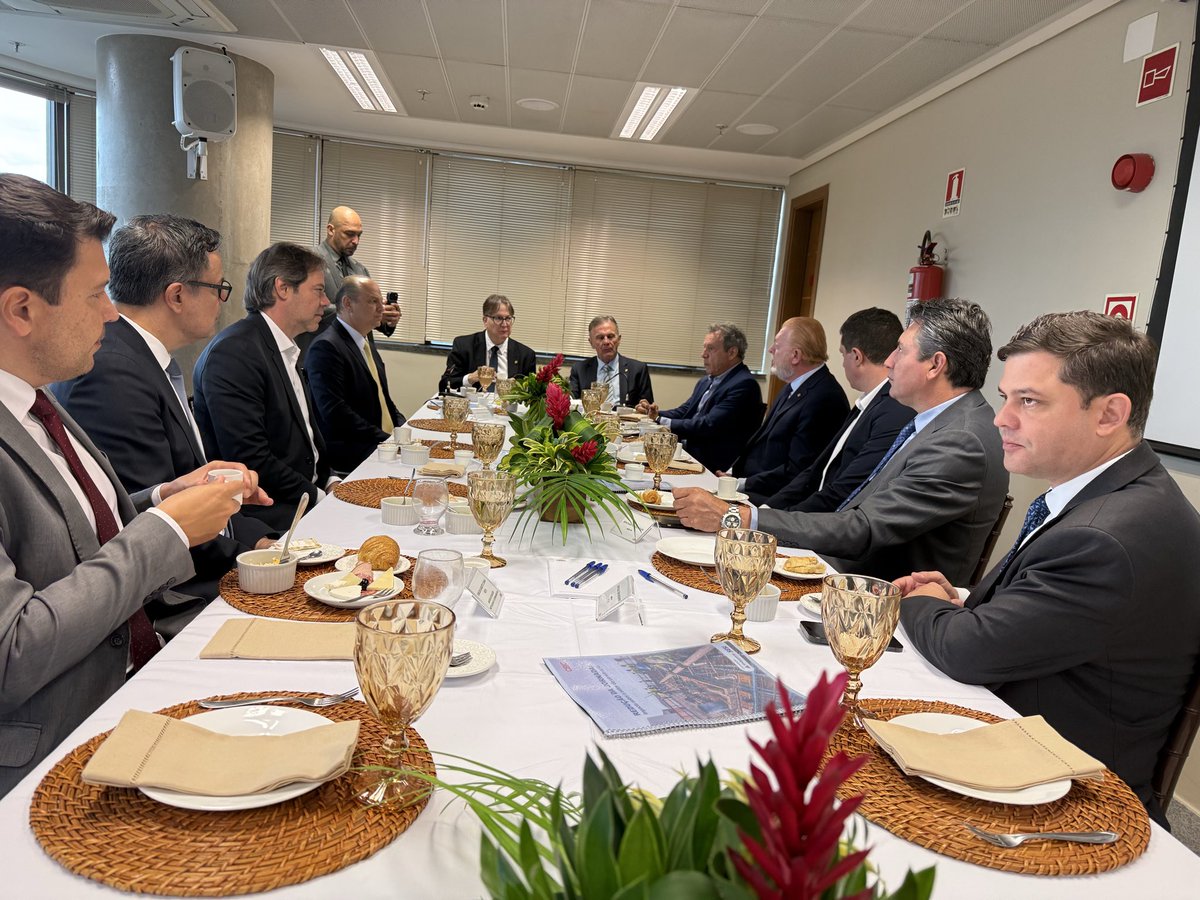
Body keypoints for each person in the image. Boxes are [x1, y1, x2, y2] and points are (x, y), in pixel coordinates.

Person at [0, 173, 256, 795]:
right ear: (23, 309)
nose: (113, 312)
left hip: (133, 681)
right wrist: (166, 530)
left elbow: (84, 532)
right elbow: (11, 653)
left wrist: (160, 499)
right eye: (95, 295)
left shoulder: (35, 403)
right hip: (53, 753)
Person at [896, 311, 1200, 827]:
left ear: (1109, 414)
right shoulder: (1118, 494)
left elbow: (967, 652)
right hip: (1034, 740)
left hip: (1066, 795)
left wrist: (920, 601)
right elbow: (1066, 615)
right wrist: (969, 602)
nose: (1001, 418)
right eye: (1006, 397)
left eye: (1028, 401)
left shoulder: (1105, 537)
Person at [675, 298, 1008, 585]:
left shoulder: (960, 441)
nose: (889, 361)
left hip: (878, 601)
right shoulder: (938, 423)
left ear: (936, 365)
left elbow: (862, 528)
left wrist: (742, 518)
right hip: (847, 572)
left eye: (901, 351)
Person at [52, 214, 275, 632]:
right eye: (218, 288)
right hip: (175, 598)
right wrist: (256, 556)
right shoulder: (114, 371)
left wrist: (259, 541)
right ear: (176, 295)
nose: (108, 312)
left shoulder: (142, 359)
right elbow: (142, 530)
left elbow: (159, 496)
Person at [193, 242, 337, 532]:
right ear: (282, 288)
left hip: (301, 498)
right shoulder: (235, 353)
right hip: (267, 513)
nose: (326, 302)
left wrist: (331, 480)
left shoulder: (284, 347)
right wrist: (320, 498)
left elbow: (306, 439)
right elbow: (251, 459)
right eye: (318, 290)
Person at [760, 308, 912, 512]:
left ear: (856, 356)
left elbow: (845, 491)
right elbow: (816, 471)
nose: (842, 363)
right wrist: (767, 509)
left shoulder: (893, 411)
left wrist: (777, 520)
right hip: (808, 512)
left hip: (829, 526)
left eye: (843, 354)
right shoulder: (868, 401)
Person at [727, 317, 848, 504]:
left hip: (774, 500)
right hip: (750, 485)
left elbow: (798, 471)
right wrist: (731, 475)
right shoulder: (792, 386)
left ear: (796, 355)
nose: (771, 350)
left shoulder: (825, 398)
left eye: (777, 345)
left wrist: (741, 484)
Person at [306, 276, 405, 474]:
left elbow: (383, 399)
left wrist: (404, 429)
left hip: (380, 445)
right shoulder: (327, 347)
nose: (381, 309)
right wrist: (387, 439)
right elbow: (336, 414)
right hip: (353, 455)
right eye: (373, 301)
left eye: (381, 301)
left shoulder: (364, 341)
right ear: (348, 303)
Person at [636, 323, 764, 473]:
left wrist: (660, 420)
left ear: (732, 352)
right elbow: (684, 411)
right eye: (704, 348)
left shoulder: (744, 384)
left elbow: (708, 425)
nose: (703, 354)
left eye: (710, 348)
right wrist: (653, 414)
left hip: (712, 465)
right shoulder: (708, 380)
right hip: (689, 453)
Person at [302, 205, 398, 354]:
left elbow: (367, 319)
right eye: (349, 234)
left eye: (359, 235)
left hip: (359, 356)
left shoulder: (360, 270)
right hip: (322, 354)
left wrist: (386, 316)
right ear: (330, 230)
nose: (356, 241)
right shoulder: (308, 261)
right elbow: (308, 307)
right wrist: (364, 310)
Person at [438, 294, 536, 393]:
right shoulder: (464, 346)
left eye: (508, 318)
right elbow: (445, 384)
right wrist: (470, 378)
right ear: (485, 321)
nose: (505, 324)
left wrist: (517, 387)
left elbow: (533, 394)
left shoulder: (526, 355)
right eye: (498, 318)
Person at [567, 315, 653, 406]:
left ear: (619, 339)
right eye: (600, 338)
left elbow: (648, 409)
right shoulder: (579, 369)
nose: (606, 342)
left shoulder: (638, 369)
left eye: (610, 336)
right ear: (591, 343)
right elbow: (572, 403)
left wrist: (644, 408)